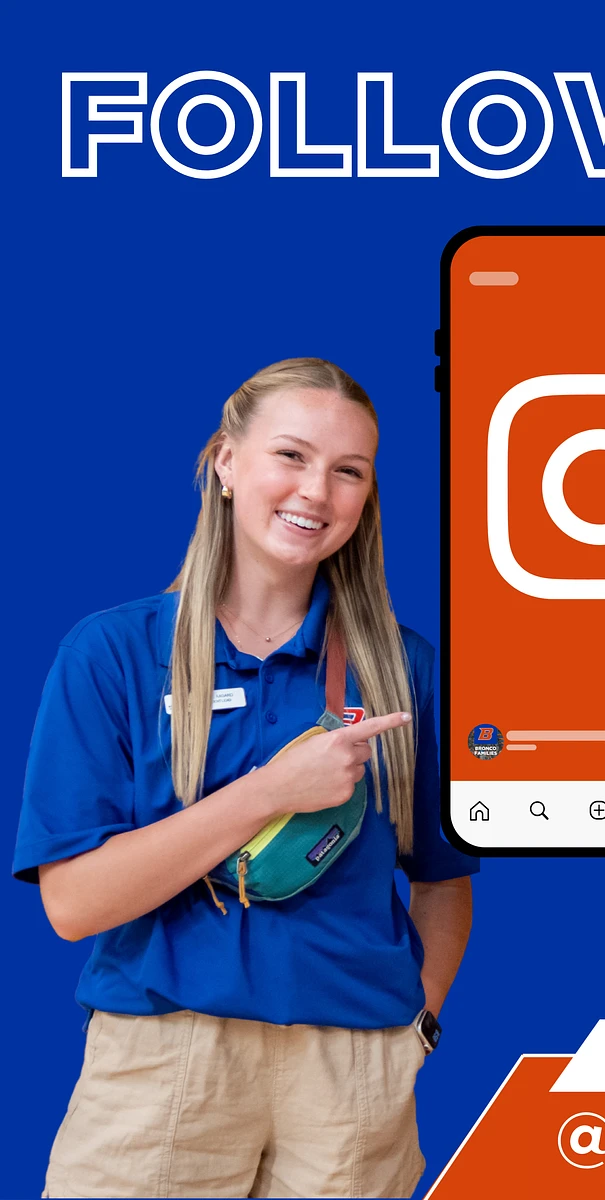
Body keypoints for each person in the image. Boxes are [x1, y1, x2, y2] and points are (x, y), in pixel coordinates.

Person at [14, 358, 478, 1197]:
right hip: (162, 1063)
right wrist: (271, 792)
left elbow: (443, 881)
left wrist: (418, 1024)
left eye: (349, 471)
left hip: (353, 1076)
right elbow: (74, 905)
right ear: (226, 463)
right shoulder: (114, 655)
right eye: (291, 456)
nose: (317, 492)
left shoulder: (403, 669)